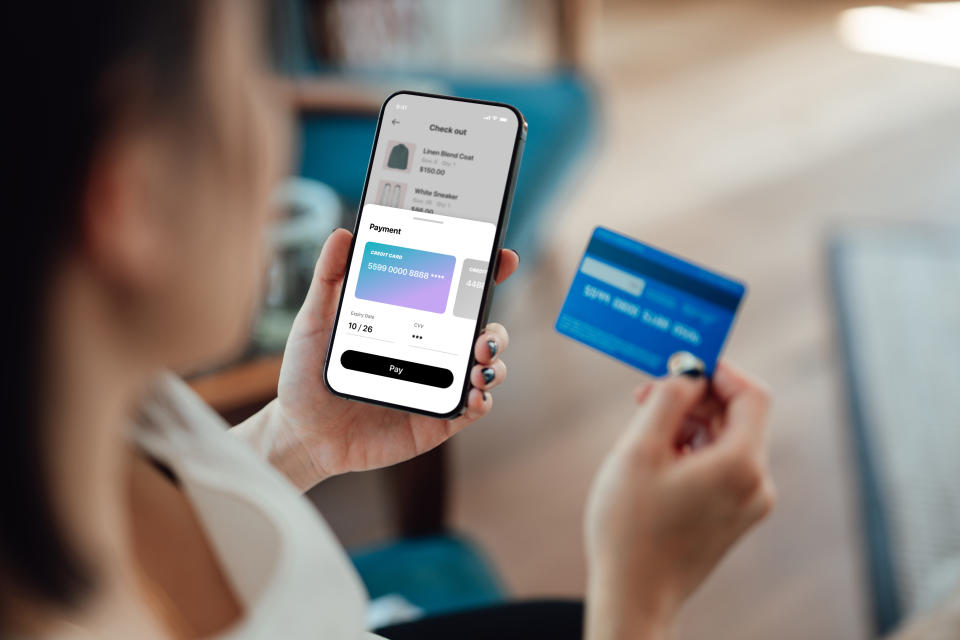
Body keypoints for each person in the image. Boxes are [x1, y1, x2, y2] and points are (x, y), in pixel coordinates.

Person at [0, 1, 775, 638]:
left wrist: (297, 438)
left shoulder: (106, 412)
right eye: (250, 78)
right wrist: (640, 599)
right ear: (129, 193)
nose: (279, 135)